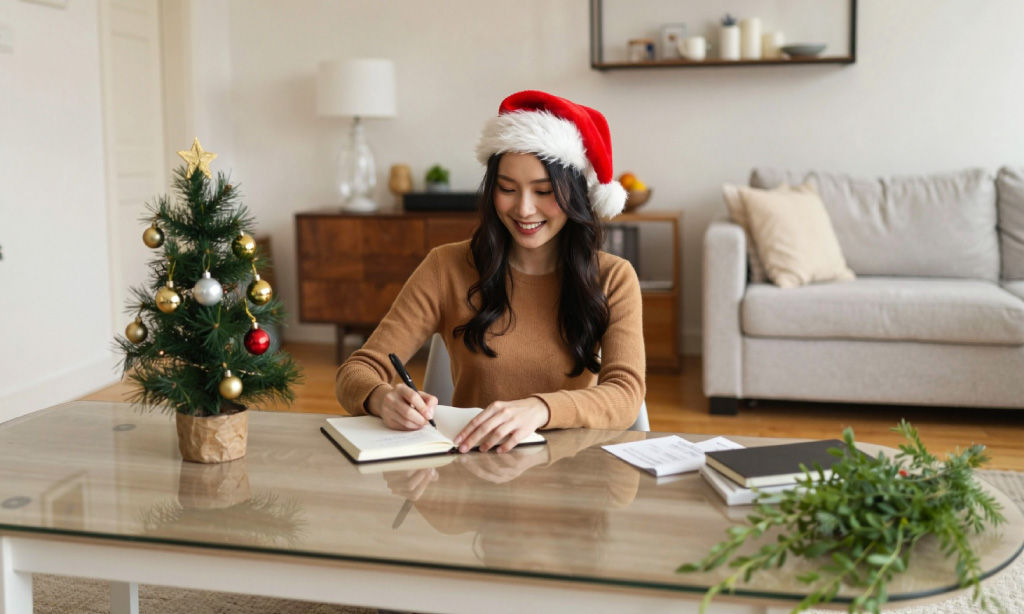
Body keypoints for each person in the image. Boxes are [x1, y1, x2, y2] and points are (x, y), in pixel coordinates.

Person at [335, 90, 645, 452]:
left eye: (544, 191)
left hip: (570, 477)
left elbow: (625, 396)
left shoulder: (613, 277)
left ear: (576, 195)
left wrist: (540, 409)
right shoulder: (445, 267)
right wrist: (380, 398)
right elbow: (356, 372)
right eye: (507, 188)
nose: (524, 209)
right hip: (472, 472)